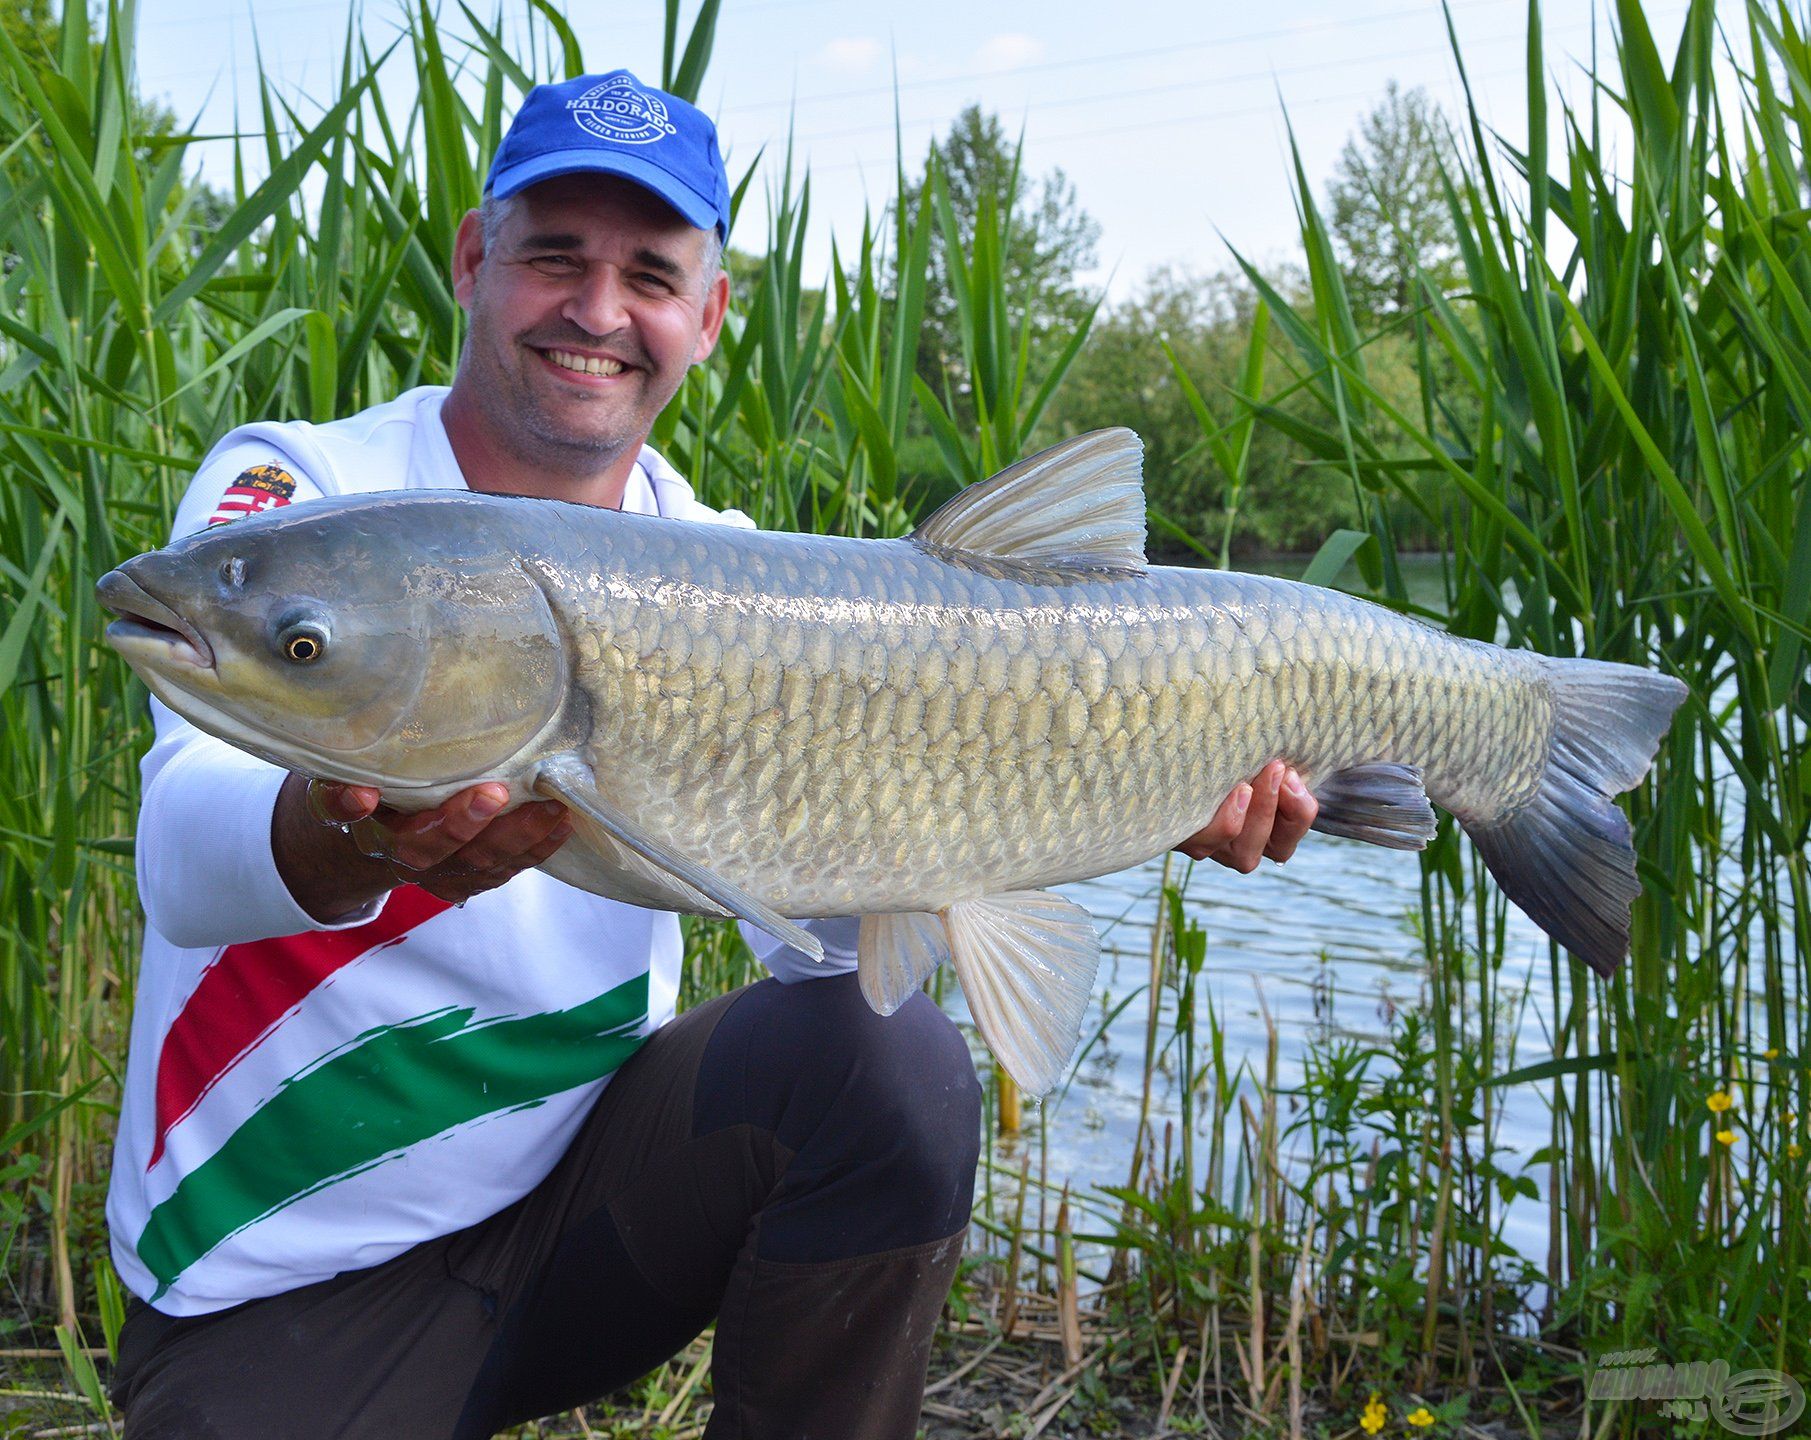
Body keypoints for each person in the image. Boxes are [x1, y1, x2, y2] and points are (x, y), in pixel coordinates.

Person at [104, 70, 1321, 1439]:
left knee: (892, 1069)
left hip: (573, 1232)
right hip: (282, 1285)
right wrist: (350, 832)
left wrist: (1128, 783)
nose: (599, 310)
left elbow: (837, 934)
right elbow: (185, 854)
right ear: (472, 257)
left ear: (709, 316)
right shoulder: (302, 498)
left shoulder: (732, 566)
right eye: (554, 255)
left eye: (652, 274)